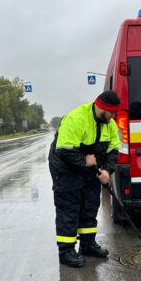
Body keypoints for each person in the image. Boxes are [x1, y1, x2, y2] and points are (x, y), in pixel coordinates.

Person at [49, 91, 121, 267]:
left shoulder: (109, 124)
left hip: (90, 169)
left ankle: (88, 244)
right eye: (111, 113)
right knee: (69, 208)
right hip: (66, 168)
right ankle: (66, 251)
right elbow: (64, 150)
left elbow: (113, 150)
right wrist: (84, 161)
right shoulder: (77, 118)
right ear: (102, 108)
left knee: (90, 206)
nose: (113, 117)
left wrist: (107, 171)